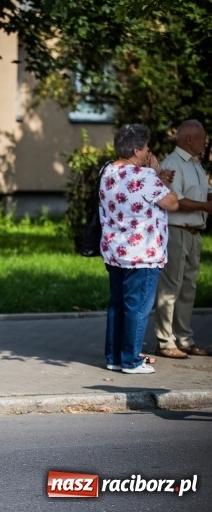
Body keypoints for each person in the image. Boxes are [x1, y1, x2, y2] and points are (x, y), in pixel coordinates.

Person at [100, 124, 178, 374]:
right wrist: (156, 174)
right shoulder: (144, 177)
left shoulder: (107, 171)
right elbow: (172, 203)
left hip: (114, 252)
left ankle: (113, 357)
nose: (148, 152)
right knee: (137, 307)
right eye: (146, 148)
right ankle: (131, 360)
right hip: (143, 255)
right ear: (136, 150)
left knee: (117, 306)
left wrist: (157, 180)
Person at [153, 119, 212, 359]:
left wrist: (207, 200)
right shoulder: (173, 163)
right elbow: (174, 199)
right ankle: (165, 341)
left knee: (188, 288)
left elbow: (201, 194)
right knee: (171, 288)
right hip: (177, 231)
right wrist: (207, 207)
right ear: (189, 139)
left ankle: (184, 339)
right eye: (202, 138)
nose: (205, 142)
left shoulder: (196, 165)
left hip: (194, 232)